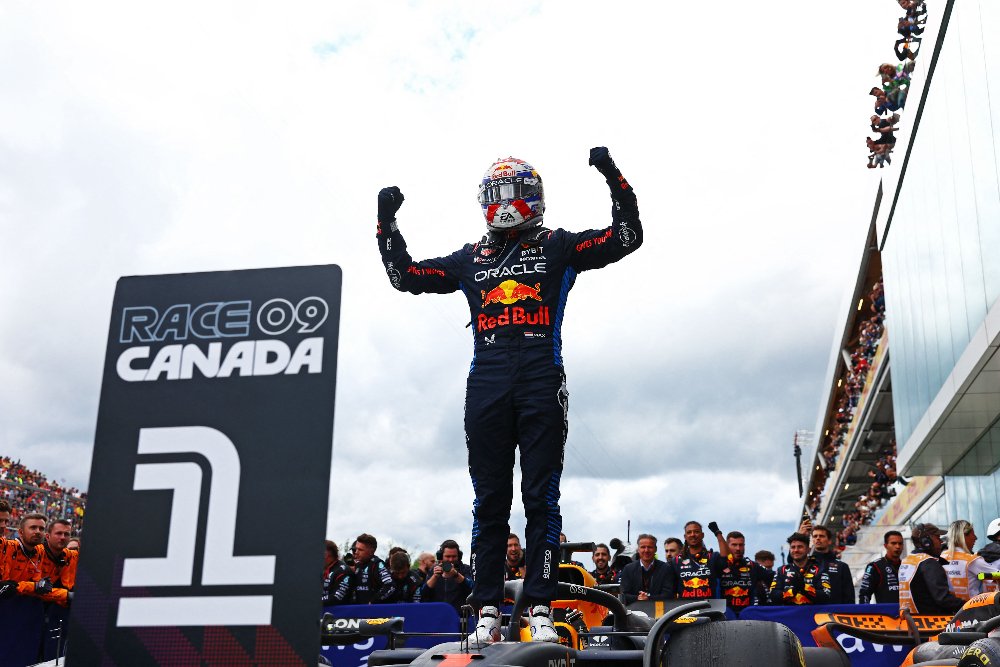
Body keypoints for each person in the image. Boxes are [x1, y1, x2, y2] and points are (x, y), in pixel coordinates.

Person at [376, 147, 643, 646]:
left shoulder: (559, 246)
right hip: (488, 380)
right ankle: (486, 610)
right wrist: (386, 224)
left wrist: (612, 176)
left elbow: (627, 238)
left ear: (534, 198)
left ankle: (541, 604)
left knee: (541, 496)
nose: (503, 204)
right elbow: (405, 277)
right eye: (495, 195)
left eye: (512, 194)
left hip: (542, 374)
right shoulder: (468, 258)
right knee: (490, 500)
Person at [898, 523, 964, 615]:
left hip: (912, 622)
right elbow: (943, 599)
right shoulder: (928, 563)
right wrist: (966, 606)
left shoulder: (907, 561)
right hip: (932, 623)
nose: (941, 542)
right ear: (926, 542)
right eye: (937, 537)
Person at [673, 521, 730, 599]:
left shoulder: (712, 557)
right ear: (685, 537)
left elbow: (727, 557)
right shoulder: (676, 561)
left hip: (708, 608)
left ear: (702, 535)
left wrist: (717, 533)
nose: (693, 534)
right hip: (685, 609)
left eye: (696, 532)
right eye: (689, 532)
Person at [943, 520, 999, 600]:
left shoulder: (941, 557)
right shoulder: (972, 561)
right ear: (964, 536)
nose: (975, 538)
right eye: (973, 534)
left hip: (949, 609)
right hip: (971, 609)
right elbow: (998, 575)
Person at [769, 533, 830, 605]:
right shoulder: (781, 570)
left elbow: (826, 595)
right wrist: (792, 591)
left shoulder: (820, 569)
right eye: (793, 547)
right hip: (788, 615)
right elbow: (773, 596)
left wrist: (805, 588)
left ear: (808, 550)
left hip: (812, 615)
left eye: (800, 547)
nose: (796, 550)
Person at [720, 531, 770, 614]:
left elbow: (775, 578)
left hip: (747, 616)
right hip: (724, 616)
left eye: (741, 545)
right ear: (727, 546)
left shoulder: (753, 566)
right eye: (734, 545)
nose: (738, 549)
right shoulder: (719, 565)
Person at [421, 539, 474, 613]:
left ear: (459, 556)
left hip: (460, 617)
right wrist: (435, 576)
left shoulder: (465, 569)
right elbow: (424, 593)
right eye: (447, 556)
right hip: (437, 614)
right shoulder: (433, 570)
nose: (451, 559)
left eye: (454, 556)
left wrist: (456, 574)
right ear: (441, 556)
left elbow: (472, 588)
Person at [619, 534, 674, 604]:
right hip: (634, 610)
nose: (646, 550)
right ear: (638, 549)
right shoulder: (628, 569)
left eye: (650, 547)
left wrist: (649, 598)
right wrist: (638, 598)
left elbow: (668, 595)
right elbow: (624, 595)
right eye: (643, 547)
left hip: (660, 610)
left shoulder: (666, 568)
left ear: (655, 549)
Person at [810, 525, 855, 604]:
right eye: (815, 536)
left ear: (829, 541)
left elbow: (849, 597)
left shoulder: (842, 566)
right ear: (812, 540)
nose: (818, 538)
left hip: (836, 613)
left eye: (821, 536)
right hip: (811, 613)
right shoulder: (806, 564)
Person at [38, 518, 76, 607]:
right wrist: (67, 595)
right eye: (59, 533)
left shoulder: (69, 556)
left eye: (66, 534)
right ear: (47, 536)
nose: (63, 537)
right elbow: (36, 590)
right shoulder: (37, 553)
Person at [859, 530, 904, 604]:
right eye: (893, 543)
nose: (897, 546)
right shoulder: (875, 566)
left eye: (900, 543)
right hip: (885, 614)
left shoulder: (907, 566)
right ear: (885, 546)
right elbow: (864, 594)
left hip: (907, 613)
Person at [349, 533, 393, 604]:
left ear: (371, 552)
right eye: (356, 549)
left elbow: (390, 585)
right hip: (356, 611)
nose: (356, 552)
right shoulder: (356, 565)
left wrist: (373, 602)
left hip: (373, 612)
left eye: (360, 550)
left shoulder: (378, 565)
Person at [322, 541, 352, 606]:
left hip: (339, 614)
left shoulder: (343, 570)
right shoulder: (322, 569)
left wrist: (313, 601)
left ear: (325, 554)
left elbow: (336, 597)